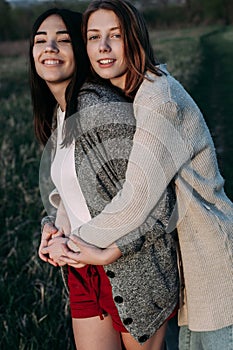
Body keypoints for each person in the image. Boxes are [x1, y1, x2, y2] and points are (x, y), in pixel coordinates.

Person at [46, 1, 232, 349]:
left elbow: (135, 200)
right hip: (185, 263)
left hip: (211, 261)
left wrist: (72, 246)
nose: (103, 47)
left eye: (114, 35)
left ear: (135, 39)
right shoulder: (131, 96)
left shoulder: (158, 99)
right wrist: (55, 224)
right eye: (93, 37)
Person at [31, 7, 179, 350]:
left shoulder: (99, 108)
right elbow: (73, 193)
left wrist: (107, 253)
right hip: (84, 271)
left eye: (63, 40)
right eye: (41, 41)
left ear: (81, 51)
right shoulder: (61, 112)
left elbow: (160, 203)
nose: (50, 47)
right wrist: (52, 228)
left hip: (134, 270)